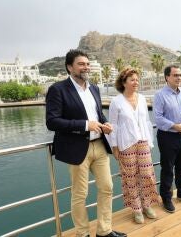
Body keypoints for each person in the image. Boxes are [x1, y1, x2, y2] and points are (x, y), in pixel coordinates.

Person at [45, 49, 126, 237]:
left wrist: (104, 124)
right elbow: (52, 122)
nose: (86, 67)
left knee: (107, 188)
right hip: (76, 149)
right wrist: (84, 125)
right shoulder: (57, 89)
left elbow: (98, 115)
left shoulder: (94, 88)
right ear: (69, 67)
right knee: (80, 195)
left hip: (99, 145)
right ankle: (82, 234)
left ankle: (104, 231)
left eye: (87, 64)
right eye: (81, 64)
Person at [107, 67, 159, 224]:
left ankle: (147, 204)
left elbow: (146, 121)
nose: (136, 82)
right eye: (132, 80)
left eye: (137, 79)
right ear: (124, 82)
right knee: (130, 177)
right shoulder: (116, 102)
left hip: (143, 141)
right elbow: (113, 126)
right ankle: (136, 209)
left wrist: (149, 140)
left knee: (147, 175)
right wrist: (114, 147)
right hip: (126, 144)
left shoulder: (142, 98)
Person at [153, 65, 181, 213]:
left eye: (180, 75)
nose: (178, 77)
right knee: (167, 168)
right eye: (175, 75)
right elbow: (158, 118)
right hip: (167, 137)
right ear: (167, 77)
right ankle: (166, 197)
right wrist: (174, 126)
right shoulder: (159, 95)